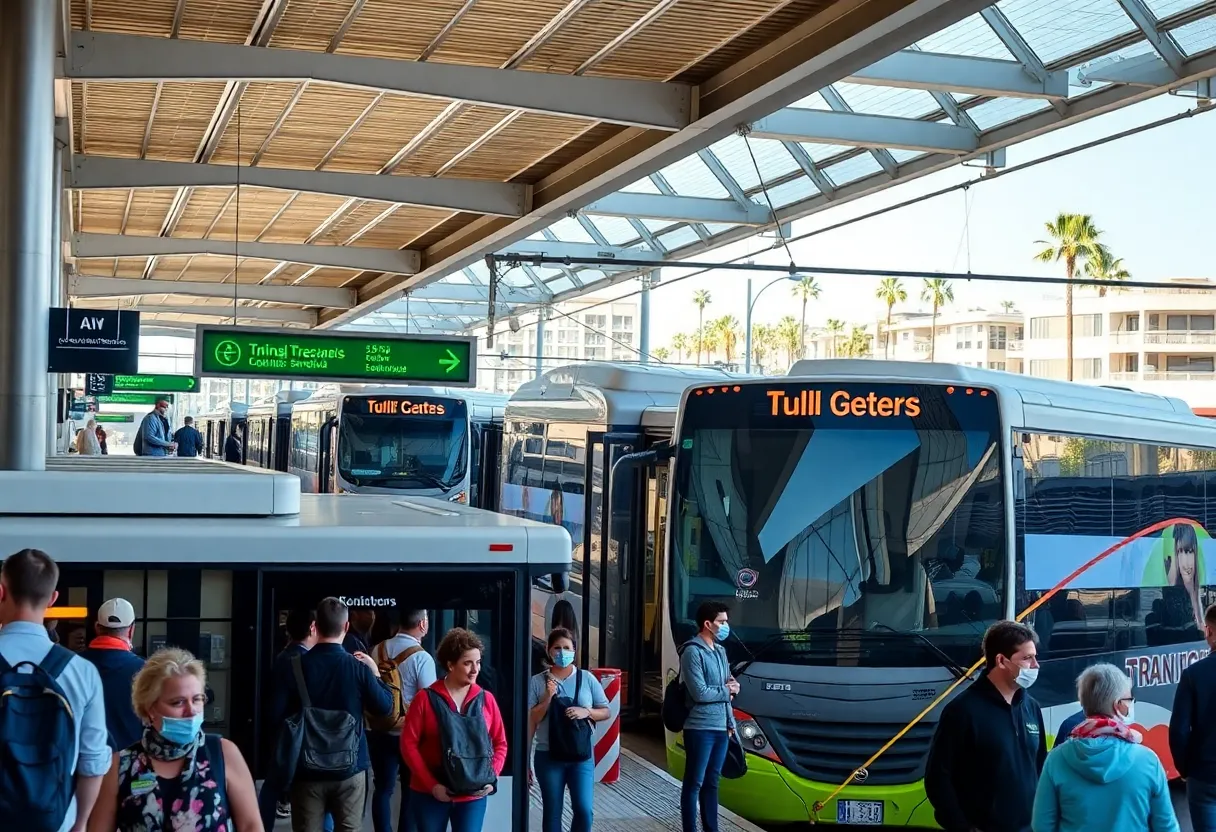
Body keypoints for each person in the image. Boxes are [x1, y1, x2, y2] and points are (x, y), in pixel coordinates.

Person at [86, 647, 261, 831]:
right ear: (149, 709)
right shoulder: (121, 765)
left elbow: (251, 825)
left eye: (197, 699)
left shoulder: (222, 753)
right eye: (178, 702)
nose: (191, 710)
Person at [0, 548, 110, 832]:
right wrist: (81, 822)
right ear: (52, 599)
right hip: (55, 820)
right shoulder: (82, 672)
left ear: (1, 592)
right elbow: (93, 761)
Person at [278, 597, 393, 832]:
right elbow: (385, 707)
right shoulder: (358, 668)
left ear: (315, 626)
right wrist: (376, 673)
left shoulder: (295, 666)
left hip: (306, 769)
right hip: (350, 769)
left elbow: (276, 715)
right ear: (347, 626)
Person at [925, 620, 1048, 832]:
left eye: (1035, 657)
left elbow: (1040, 768)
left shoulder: (1032, 707)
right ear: (1001, 660)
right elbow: (938, 779)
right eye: (1027, 658)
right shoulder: (963, 711)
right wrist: (963, 827)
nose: (1036, 665)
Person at [1032, 663, 1178, 832]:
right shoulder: (1147, 761)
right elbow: (1166, 826)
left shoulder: (1056, 759)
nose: (1131, 705)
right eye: (1129, 700)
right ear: (1118, 705)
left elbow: (1042, 825)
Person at [401, 627, 507, 832]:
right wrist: (432, 785)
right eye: (467, 663)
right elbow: (408, 745)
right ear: (450, 665)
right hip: (429, 793)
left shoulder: (486, 699)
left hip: (472, 795)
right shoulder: (425, 699)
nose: (475, 669)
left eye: (477, 662)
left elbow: (500, 742)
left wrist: (491, 775)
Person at [528, 627, 610, 832]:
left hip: (580, 755)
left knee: (584, 810)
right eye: (557, 648)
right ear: (548, 650)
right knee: (552, 812)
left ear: (574, 651)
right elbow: (531, 720)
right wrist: (547, 697)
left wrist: (587, 712)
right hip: (548, 756)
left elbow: (606, 711)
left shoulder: (587, 679)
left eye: (566, 648)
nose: (561, 653)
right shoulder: (538, 681)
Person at [259, 608, 332, 832]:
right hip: (302, 737)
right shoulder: (300, 660)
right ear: (312, 627)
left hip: (288, 736)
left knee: (272, 788)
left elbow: (274, 709)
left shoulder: (284, 657)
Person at [368, 608, 436, 832]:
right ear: (423, 624)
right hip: (411, 735)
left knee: (383, 789)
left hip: (379, 731)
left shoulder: (377, 649)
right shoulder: (422, 658)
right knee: (410, 791)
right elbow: (428, 701)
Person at [679, 600, 739, 832]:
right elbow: (700, 692)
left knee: (713, 782)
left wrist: (730, 721)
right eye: (722, 622)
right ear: (707, 624)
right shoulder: (692, 652)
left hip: (721, 727)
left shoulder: (721, 651)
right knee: (694, 782)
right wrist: (727, 691)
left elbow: (729, 682)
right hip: (699, 728)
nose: (726, 626)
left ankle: (711, 828)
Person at [1170, 602, 1216, 831]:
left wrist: (1185, 769)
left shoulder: (1193, 675)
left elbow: (1178, 731)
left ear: (1208, 631)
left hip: (1204, 775)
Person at [79, 598, 147, 753]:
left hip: (81, 763)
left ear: (97, 627)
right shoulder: (146, 671)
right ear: (131, 630)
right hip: (130, 765)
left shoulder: (72, 665)